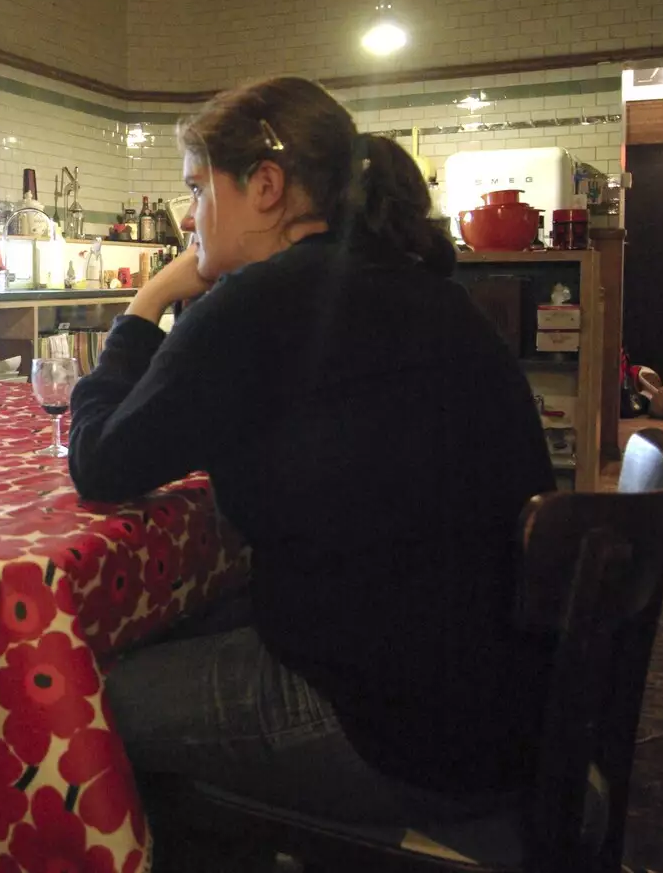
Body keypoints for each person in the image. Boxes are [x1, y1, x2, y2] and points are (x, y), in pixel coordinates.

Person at [68, 77, 555, 843]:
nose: (190, 217)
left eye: (197, 190)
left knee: (65, 701)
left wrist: (147, 301)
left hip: (393, 726)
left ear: (264, 187)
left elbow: (99, 460)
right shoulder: (422, 287)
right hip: (498, 697)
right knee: (184, 621)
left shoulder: (255, 304)